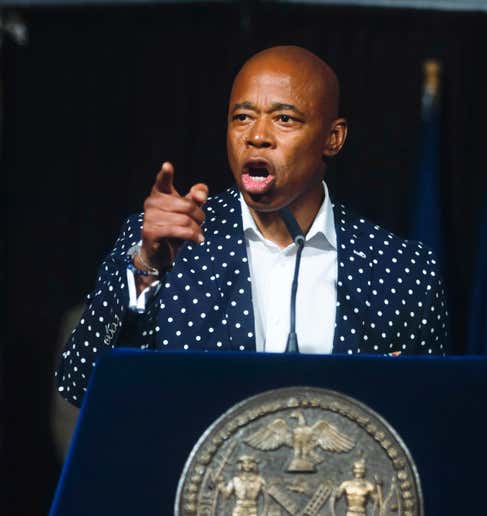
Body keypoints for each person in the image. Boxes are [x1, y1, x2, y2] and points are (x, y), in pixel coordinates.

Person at [56, 46, 448, 407]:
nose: (257, 136)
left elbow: (426, 419)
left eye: (284, 119)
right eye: (242, 117)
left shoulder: (401, 269)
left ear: (333, 138)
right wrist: (145, 269)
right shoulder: (167, 239)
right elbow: (80, 384)